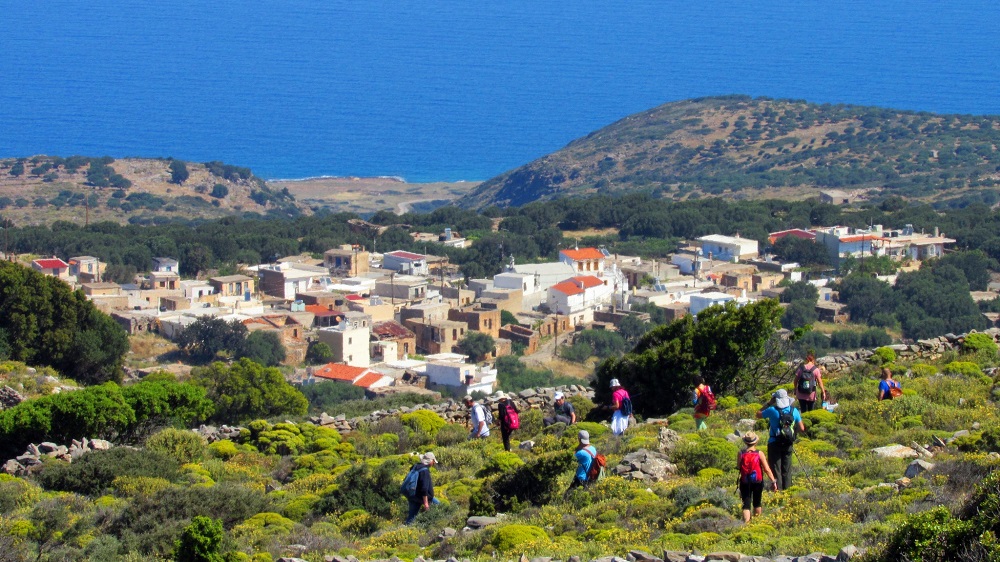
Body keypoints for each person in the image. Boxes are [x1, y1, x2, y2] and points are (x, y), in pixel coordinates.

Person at [756, 389, 805, 491]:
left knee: (775, 469)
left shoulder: (772, 410)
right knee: (787, 469)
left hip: (774, 442)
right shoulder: (794, 411)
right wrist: (791, 434)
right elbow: (802, 428)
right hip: (788, 443)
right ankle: (788, 491)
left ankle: (778, 491)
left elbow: (758, 414)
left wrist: (769, 403)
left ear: (776, 399)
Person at [736, 432, 777, 523]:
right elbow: (766, 469)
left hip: (745, 481)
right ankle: (757, 523)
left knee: (746, 504)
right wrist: (773, 481)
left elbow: (738, 466)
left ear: (745, 442)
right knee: (757, 502)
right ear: (755, 442)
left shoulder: (741, 453)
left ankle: (746, 524)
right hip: (757, 481)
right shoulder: (759, 453)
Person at [405, 452, 438, 524]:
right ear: (430, 461)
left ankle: (406, 528)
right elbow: (424, 488)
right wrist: (426, 503)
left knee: (411, 517)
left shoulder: (415, 466)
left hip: (413, 494)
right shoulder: (425, 471)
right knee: (440, 507)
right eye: (433, 461)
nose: (434, 463)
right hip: (422, 497)